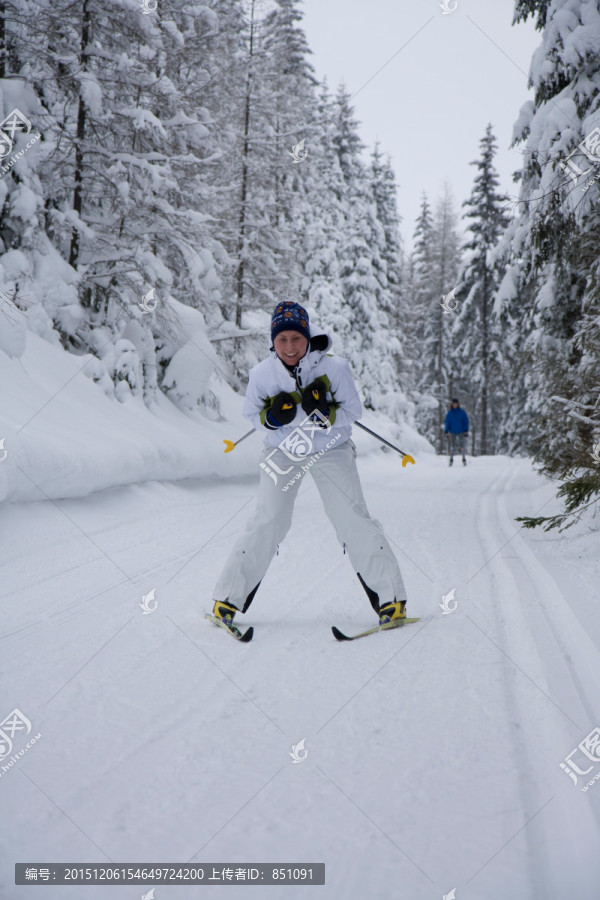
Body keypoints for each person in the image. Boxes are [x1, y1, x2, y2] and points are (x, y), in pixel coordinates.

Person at [211, 301, 408, 629]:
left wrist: (328, 413)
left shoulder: (335, 369)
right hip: (283, 450)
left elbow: (353, 413)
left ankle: (391, 600)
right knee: (268, 520)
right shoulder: (262, 374)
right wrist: (271, 418)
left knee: (351, 518)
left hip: (330, 449)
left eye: (296, 339)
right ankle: (226, 600)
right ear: (273, 341)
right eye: (282, 339)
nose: (290, 347)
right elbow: (251, 417)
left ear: (307, 337)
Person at [444, 398, 469, 466]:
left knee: (462, 445)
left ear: (458, 404)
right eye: (454, 404)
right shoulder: (450, 413)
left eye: (456, 404)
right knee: (452, 445)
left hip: (461, 430)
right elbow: (447, 422)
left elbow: (465, 421)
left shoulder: (462, 412)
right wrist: (446, 430)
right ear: (452, 404)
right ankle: (451, 458)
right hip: (452, 431)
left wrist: (466, 430)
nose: (455, 405)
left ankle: (463, 458)